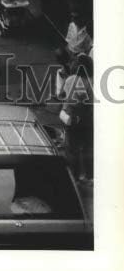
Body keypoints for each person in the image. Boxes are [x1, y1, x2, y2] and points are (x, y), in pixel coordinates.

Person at [59, 53, 93, 182]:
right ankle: (89, 175)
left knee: (72, 148)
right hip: (86, 119)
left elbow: (62, 94)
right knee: (87, 147)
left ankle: (75, 176)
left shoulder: (70, 79)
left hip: (70, 116)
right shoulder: (91, 82)